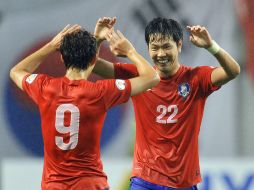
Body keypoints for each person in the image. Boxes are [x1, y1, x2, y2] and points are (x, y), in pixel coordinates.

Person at [93, 17, 240, 189]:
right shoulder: (139, 77)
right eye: (155, 48)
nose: (161, 54)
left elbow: (233, 71)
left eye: (166, 47)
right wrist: (97, 39)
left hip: (183, 183)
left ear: (179, 45)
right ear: (148, 49)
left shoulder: (196, 78)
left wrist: (211, 46)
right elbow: (92, 64)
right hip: (145, 180)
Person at [10, 21, 159, 190]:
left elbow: (16, 71)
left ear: (61, 58)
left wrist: (51, 46)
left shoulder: (44, 87)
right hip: (91, 184)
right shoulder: (100, 92)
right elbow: (152, 78)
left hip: (54, 186)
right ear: (95, 59)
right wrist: (130, 51)